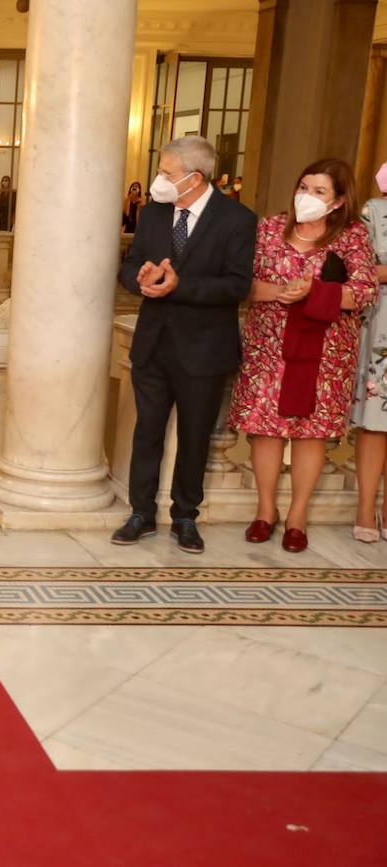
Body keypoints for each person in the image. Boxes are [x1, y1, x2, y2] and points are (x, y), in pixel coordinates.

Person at [113, 136, 257, 554]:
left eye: (167, 173)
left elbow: (237, 284)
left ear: (195, 178)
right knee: (147, 433)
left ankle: (185, 517)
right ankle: (140, 513)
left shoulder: (237, 219)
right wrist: (138, 278)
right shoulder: (155, 214)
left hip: (204, 350)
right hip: (153, 345)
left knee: (195, 437)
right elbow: (127, 263)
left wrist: (180, 285)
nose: (159, 179)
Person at [229, 157, 375, 552]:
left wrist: (315, 292)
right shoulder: (270, 228)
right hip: (268, 346)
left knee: (310, 433)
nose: (306, 196)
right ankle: (264, 512)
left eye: (319, 191)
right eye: (303, 187)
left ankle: (297, 516)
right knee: (265, 428)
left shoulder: (352, 236)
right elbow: (241, 281)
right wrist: (279, 292)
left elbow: (363, 291)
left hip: (325, 353)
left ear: (339, 201)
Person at [351, 161, 387, 542]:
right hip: (382, 327)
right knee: (376, 418)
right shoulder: (372, 212)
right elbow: (361, 270)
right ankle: (364, 506)